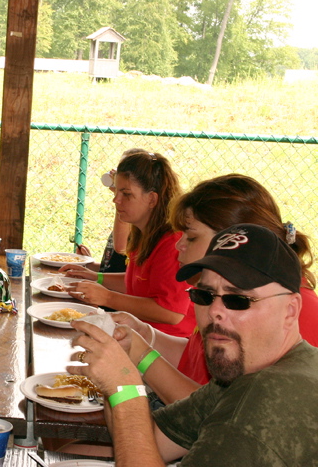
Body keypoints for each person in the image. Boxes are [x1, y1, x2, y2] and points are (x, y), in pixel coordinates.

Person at [71, 223, 318, 466]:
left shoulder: (263, 406)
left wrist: (125, 389)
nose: (214, 311)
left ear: (290, 311)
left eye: (238, 299)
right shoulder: (246, 372)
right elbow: (152, 442)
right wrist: (115, 377)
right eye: (204, 295)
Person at [109, 173, 318, 404]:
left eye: (191, 236)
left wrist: (142, 357)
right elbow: (195, 360)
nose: (179, 244)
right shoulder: (224, 293)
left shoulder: (288, 306)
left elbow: (216, 413)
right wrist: (145, 333)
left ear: (234, 241)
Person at [60, 151, 194, 337]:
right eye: (116, 191)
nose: (116, 200)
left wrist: (107, 297)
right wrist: (95, 277)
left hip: (168, 343)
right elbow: (137, 283)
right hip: (143, 333)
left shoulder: (173, 241)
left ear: (152, 199)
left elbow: (171, 313)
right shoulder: (144, 232)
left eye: (126, 194)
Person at [77, 148, 147, 274]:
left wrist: (119, 194)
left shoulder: (137, 217)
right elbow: (113, 269)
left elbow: (121, 247)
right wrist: (88, 265)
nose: (116, 200)